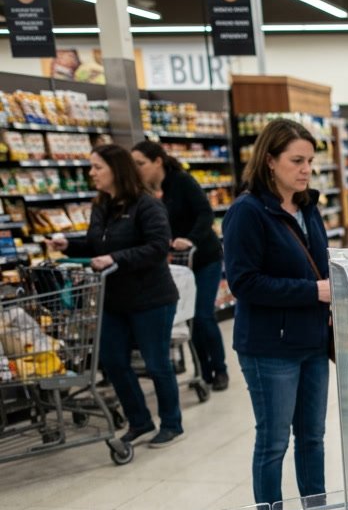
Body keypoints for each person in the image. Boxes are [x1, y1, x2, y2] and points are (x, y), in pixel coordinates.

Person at [222, 119, 331, 509]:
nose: (306, 170)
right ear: (270, 160)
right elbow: (244, 283)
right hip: (269, 347)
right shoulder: (247, 212)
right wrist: (313, 291)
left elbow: (320, 263)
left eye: (310, 161)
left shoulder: (307, 207)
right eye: (296, 160)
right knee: (273, 441)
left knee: (313, 437)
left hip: (313, 342)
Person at [50, 144, 182, 447]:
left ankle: (172, 423)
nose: (91, 173)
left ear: (116, 170)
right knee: (111, 360)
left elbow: (158, 246)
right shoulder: (102, 206)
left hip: (152, 298)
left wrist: (117, 259)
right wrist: (68, 246)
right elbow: (97, 246)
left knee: (156, 362)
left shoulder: (147, 205)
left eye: (97, 167)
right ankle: (140, 421)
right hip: (114, 299)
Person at [131, 140, 229, 391]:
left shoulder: (182, 181)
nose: (136, 168)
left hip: (204, 257)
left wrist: (190, 239)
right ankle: (203, 372)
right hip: (174, 262)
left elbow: (206, 213)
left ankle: (220, 369)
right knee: (189, 316)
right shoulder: (142, 191)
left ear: (157, 162)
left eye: (140, 163)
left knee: (203, 314)